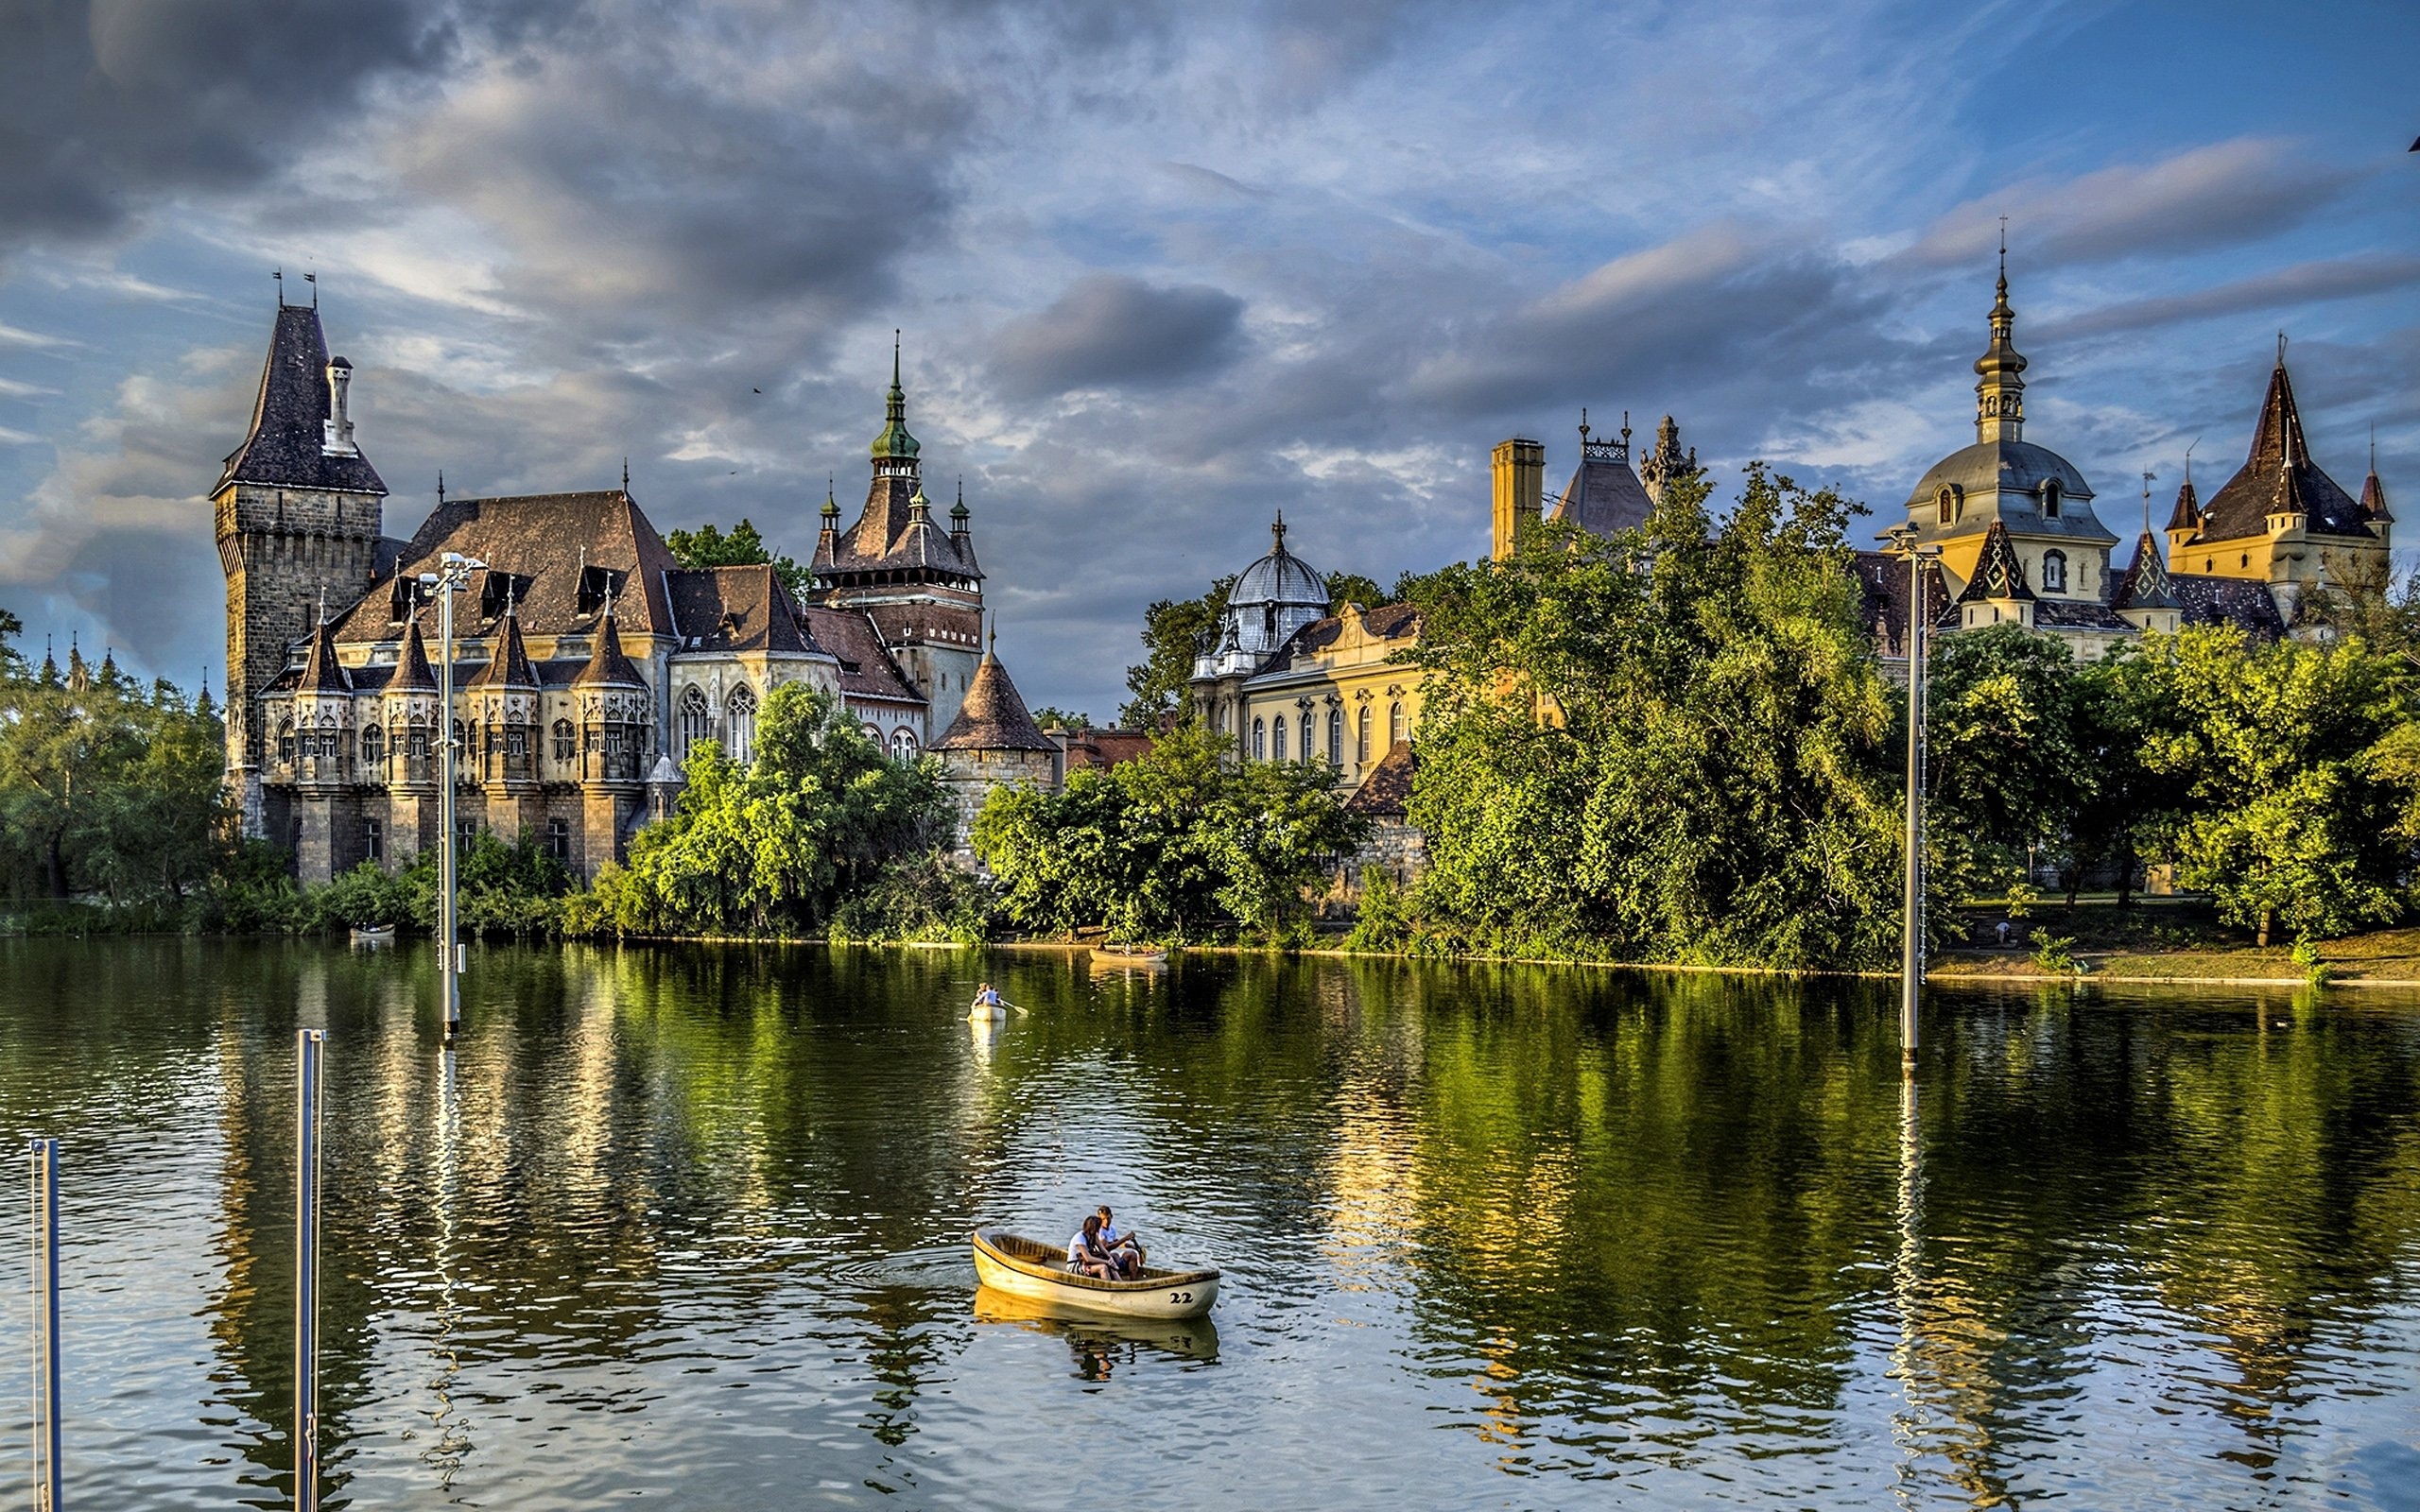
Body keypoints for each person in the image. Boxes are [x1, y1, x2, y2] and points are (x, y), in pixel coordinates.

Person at [1096, 1205, 1145, 1277]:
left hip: (1112, 1257)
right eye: (1103, 1219)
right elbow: (1106, 1247)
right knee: (1115, 1255)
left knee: (1132, 1254)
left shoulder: (1112, 1229)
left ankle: (1133, 1282)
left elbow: (1116, 1242)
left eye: (1108, 1218)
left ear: (1111, 1217)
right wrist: (1125, 1238)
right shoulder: (1099, 1231)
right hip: (1102, 1258)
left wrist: (1133, 1247)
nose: (1106, 1222)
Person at [1067, 1213, 1118, 1279]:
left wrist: (1110, 1258)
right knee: (1103, 1267)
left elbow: (1102, 1249)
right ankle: (1107, 1287)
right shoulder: (1079, 1238)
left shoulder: (1094, 1236)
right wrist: (1106, 1262)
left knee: (1110, 1264)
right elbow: (1088, 1259)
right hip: (1076, 1265)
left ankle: (1120, 1284)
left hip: (1085, 1262)